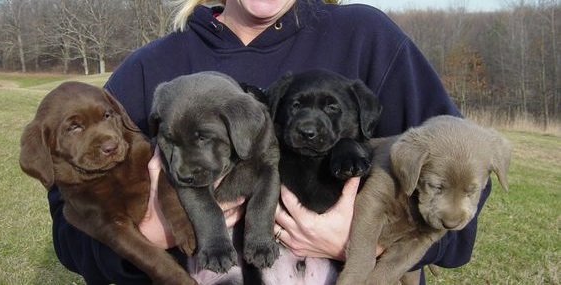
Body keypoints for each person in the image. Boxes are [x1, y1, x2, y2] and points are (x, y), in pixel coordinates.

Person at [47, 0, 492, 284]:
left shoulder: (365, 36)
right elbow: (71, 225)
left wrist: (362, 243)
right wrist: (150, 235)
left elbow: (463, 173)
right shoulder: (154, 66)